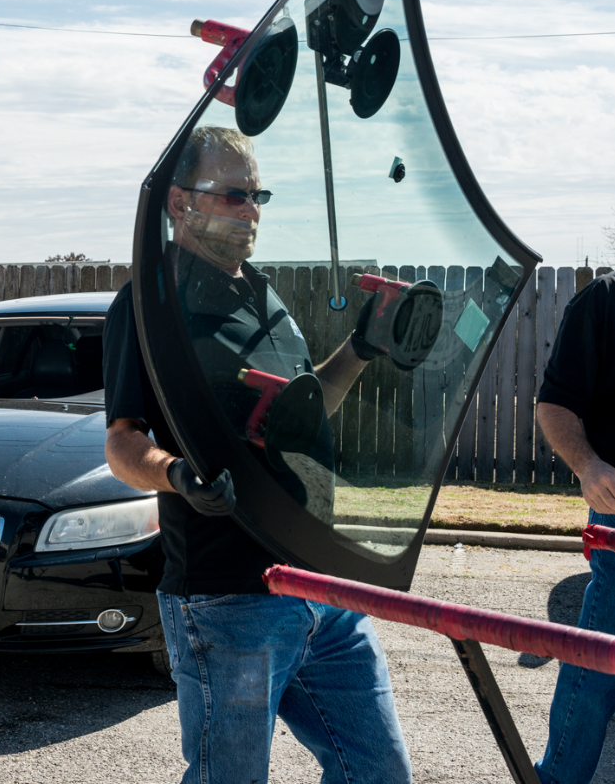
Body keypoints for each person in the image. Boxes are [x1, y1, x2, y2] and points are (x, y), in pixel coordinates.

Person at [103, 126, 412, 784]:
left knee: (378, 773)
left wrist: (359, 348)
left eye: (257, 195)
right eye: (234, 196)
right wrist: (177, 477)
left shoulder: (264, 296)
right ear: (180, 203)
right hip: (229, 598)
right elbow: (122, 442)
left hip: (322, 585)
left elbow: (301, 413)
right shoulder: (150, 304)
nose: (252, 212)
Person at [534, 271, 615, 784]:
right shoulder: (603, 301)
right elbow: (554, 403)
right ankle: (561, 776)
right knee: (598, 653)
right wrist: (588, 465)